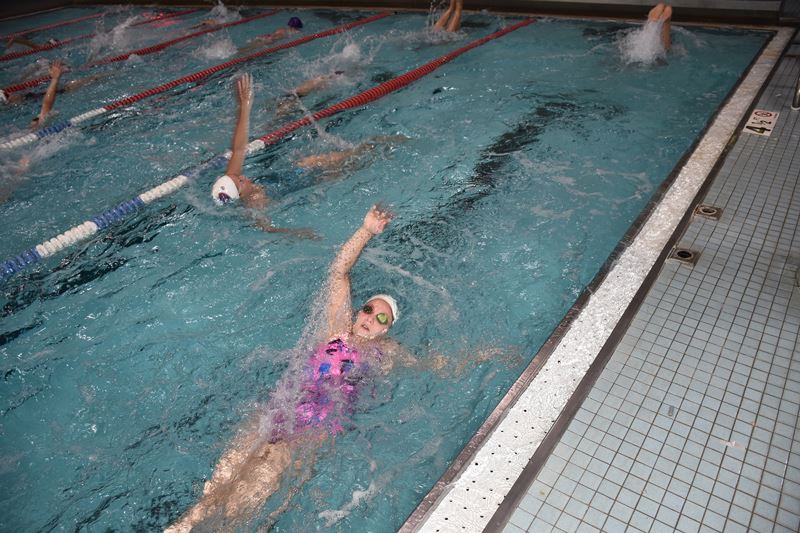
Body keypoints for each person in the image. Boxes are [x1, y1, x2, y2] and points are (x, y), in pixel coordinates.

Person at [165, 204, 415, 531]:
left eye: (382, 318)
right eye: (368, 309)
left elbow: (431, 364)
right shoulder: (336, 329)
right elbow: (339, 272)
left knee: (242, 501)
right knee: (219, 482)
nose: (370, 318)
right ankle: (183, 525)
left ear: (388, 329)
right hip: (280, 409)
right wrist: (365, 231)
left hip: (310, 433)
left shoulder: (386, 353)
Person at [210, 73, 316, 238]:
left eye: (236, 177)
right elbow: (267, 228)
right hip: (296, 182)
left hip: (277, 175)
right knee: (313, 162)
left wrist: (244, 108)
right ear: (240, 195)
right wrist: (296, 233)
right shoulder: (255, 203)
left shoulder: (235, 183)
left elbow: (238, 149)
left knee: (282, 107)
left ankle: (317, 83)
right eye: (239, 182)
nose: (241, 176)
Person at [238, 17, 302, 54]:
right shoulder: (293, 32)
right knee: (250, 50)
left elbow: (271, 34)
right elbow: (274, 38)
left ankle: (237, 50)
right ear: (295, 27)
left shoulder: (282, 29)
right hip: (270, 40)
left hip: (265, 37)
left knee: (247, 47)